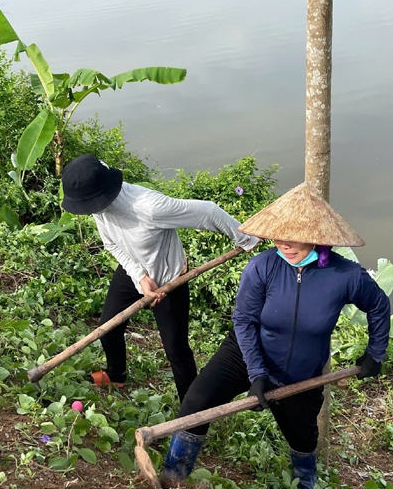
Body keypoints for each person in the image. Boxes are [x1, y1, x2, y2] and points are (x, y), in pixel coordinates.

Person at [160, 183, 391, 489]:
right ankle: (172, 477)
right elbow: (243, 320)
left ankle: (306, 487)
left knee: (303, 436)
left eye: (295, 237)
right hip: (247, 351)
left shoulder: (345, 276)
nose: (285, 244)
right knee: (197, 400)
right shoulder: (262, 267)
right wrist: (257, 374)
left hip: (301, 368)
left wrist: (375, 353)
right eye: (279, 235)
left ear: (318, 236)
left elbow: (379, 305)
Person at [61, 154, 260, 401]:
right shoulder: (98, 206)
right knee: (108, 328)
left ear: (103, 192)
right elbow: (112, 244)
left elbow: (208, 211)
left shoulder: (150, 208)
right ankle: (117, 376)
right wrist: (140, 277)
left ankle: (190, 410)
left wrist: (246, 239)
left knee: (175, 350)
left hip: (169, 279)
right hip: (132, 270)